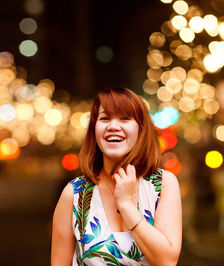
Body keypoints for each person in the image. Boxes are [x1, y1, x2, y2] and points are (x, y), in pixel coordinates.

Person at [51, 86, 182, 265]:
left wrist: (126, 205)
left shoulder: (163, 184)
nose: (113, 126)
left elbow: (167, 261)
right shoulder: (74, 195)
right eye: (104, 118)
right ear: (94, 130)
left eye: (125, 118)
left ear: (140, 130)